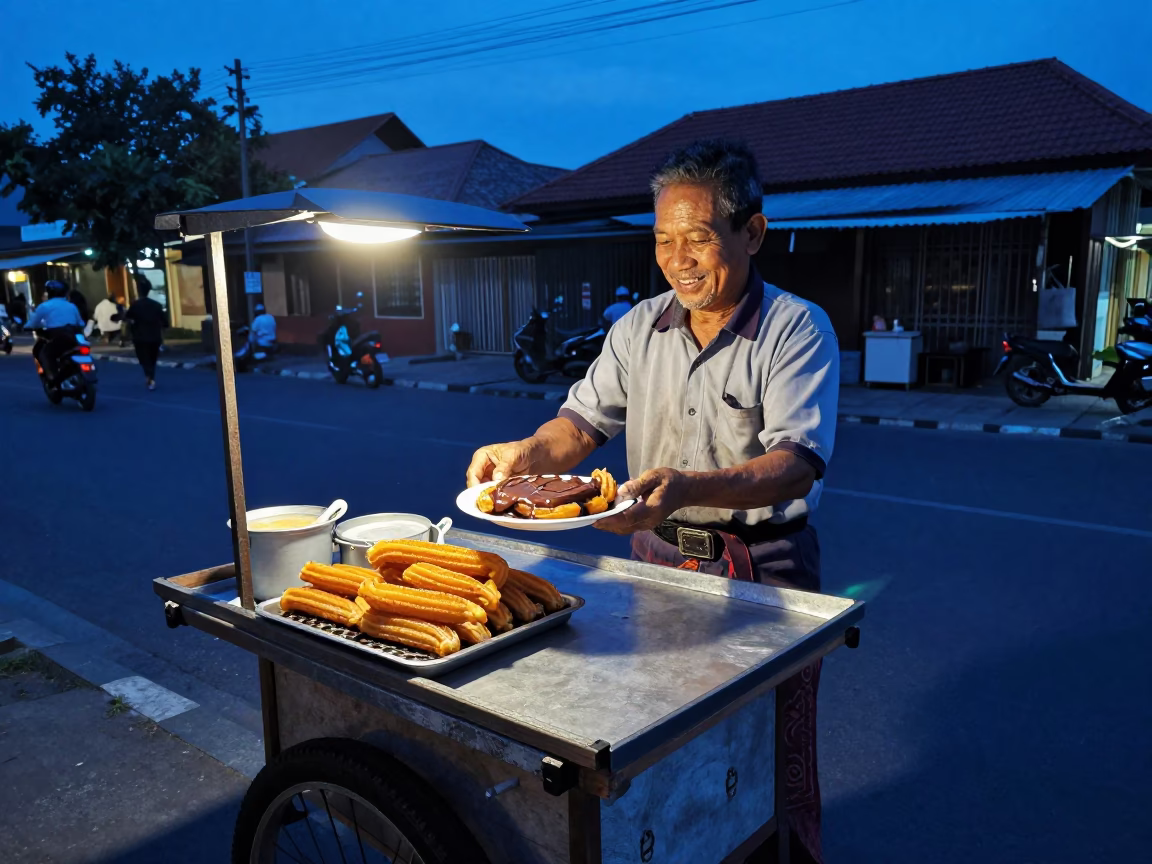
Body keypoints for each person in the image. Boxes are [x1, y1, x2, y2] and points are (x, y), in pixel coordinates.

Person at [466, 140, 839, 864]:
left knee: (768, 748)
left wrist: (689, 488)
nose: (678, 258)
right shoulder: (638, 327)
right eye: (664, 240)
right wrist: (522, 456)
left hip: (764, 571)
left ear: (751, 233)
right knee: (662, 742)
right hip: (655, 563)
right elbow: (577, 429)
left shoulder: (796, 328)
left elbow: (796, 463)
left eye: (698, 238)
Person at [27, 280, 84, 379]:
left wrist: (26, 327)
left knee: (46, 354)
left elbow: (33, 323)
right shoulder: (71, 306)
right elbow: (81, 323)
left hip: (58, 337)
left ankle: (53, 377)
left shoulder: (45, 306)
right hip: (75, 337)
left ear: (49, 293)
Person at [120, 275, 168, 390]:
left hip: (140, 337)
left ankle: (149, 377)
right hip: (155, 337)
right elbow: (165, 323)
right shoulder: (156, 305)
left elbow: (127, 318)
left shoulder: (135, 305)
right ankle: (150, 377)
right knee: (152, 359)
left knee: (144, 359)